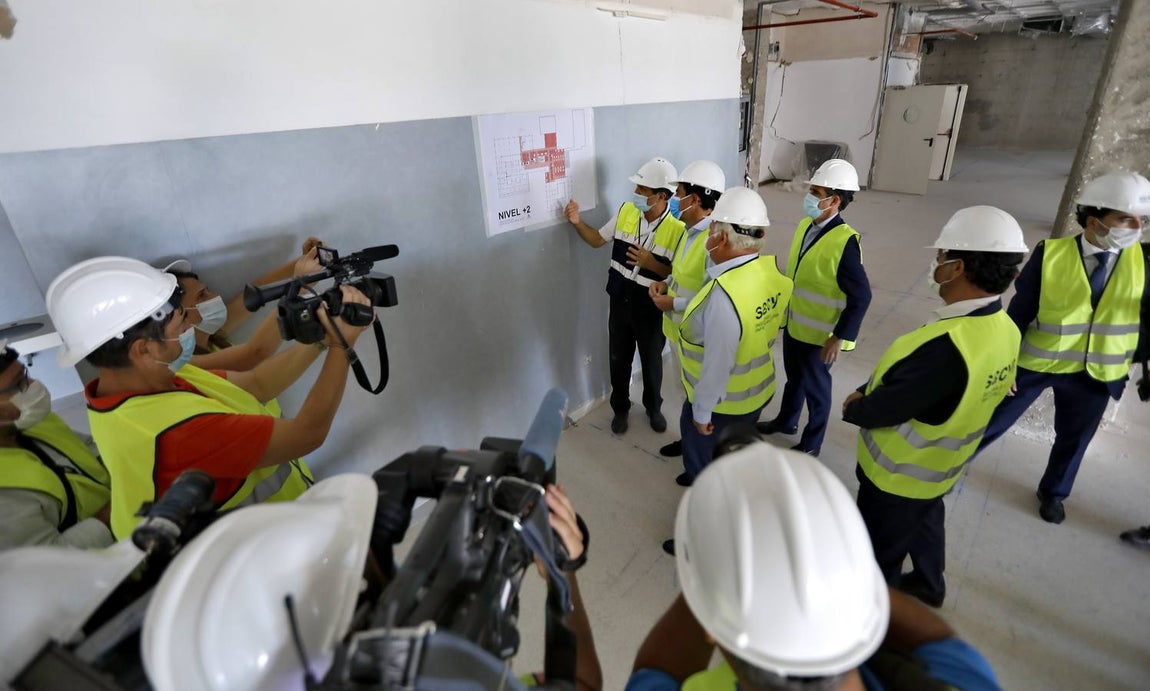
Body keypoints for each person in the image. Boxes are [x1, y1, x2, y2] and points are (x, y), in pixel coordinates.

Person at [627, 442, 1002, 690]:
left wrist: (719, 554)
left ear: (710, 626)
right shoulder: (964, 685)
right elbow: (938, 641)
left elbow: (655, 671)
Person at [45, 256, 372, 539]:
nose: (188, 329)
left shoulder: (148, 378)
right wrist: (343, 346)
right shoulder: (174, 434)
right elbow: (307, 434)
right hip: (256, 552)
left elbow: (257, 383)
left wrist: (323, 340)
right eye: (178, 326)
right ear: (142, 349)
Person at [842, 207, 1027, 608]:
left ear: (958, 267)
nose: (935, 264)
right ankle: (929, 583)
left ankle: (872, 632)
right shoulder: (1006, 330)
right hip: (943, 466)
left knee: (877, 560)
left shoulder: (947, 347)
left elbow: (881, 409)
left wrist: (856, 405)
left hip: (896, 478)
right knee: (927, 517)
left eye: (940, 257)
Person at [972, 172, 1150, 525]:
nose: (1135, 227)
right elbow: (1019, 313)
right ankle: (948, 466)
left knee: (1074, 440)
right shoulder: (1050, 254)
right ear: (1094, 219)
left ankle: (1053, 493)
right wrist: (1006, 361)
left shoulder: (1144, 262)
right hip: (1037, 362)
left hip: (1097, 374)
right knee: (989, 419)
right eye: (1124, 218)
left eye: (1141, 220)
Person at [662, 187, 792, 555]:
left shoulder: (723, 294)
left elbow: (716, 365)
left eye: (713, 229)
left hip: (720, 404)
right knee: (731, 465)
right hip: (754, 394)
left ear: (719, 236)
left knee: (709, 477)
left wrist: (702, 414)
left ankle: (702, 540)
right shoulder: (766, 272)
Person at [758, 159, 872, 457]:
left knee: (817, 392)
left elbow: (862, 296)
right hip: (797, 324)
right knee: (794, 379)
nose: (809, 198)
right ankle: (787, 421)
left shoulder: (844, 242)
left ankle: (812, 443)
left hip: (821, 337)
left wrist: (839, 337)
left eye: (816, 192)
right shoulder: (805, 226)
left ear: (834, 200)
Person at [565, 158, 686, 435]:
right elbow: (596, 240)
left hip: (650, 307)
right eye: (638, 188)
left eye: (644, 190)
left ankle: (654, 408)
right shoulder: (626, 212)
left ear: (662, 196)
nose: (637, 194)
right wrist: (576, 222)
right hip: (619, 299)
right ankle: (620, 408)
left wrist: (649, 262)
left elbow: (674, 273)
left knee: (652, 360)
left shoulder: (677, 231)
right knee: (619, 359)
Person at [0, 342, 113, 550]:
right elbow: (49, 560)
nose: (33, 384)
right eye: (19, 384)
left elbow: (88, 448)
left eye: (25, 374)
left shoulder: (32, 420)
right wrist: (118, 507)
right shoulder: (5, 494)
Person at [649, 160, 726, 458]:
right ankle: (689, 443)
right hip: (678, 330)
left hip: (699, 337)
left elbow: (714, 298)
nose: (675, 199)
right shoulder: (688, 231)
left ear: (695, 199)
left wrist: (673, 303)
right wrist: (665, 283)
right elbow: (680, 272)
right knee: (685, 393)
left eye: (678, 193)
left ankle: (701, 457)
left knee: (701, 398)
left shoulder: (715, 242)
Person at [164, 236, 324, 372]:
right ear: (179, 315)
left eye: (208, 290)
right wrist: (299, 286)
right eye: (202, 295)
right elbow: (256, 352)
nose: (214, 297)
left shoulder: (212, 340)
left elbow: (253, 294)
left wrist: (302, 261)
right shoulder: (188, 368)